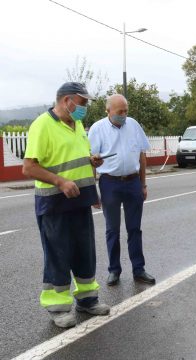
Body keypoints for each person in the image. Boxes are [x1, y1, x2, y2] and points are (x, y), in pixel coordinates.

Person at [23, 82, 110, 328]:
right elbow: (29, 166)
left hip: (80, 200)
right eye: (82, 103)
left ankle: (87, 299)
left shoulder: (77, 124)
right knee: (58, 255)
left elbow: (72, 157)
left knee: (85, 252)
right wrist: (60, 181)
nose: (85, 108)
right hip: (54, 203)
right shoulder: (42, 125)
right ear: (66, 101)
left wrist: (91, 160)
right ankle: (58, 307)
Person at [88, 94, 155, 286]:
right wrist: (93, 191)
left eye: (126, 111)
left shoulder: (133, 125)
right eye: (120, 112)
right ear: (108, 111)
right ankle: (114, 270)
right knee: (112, 229)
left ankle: (139, 269)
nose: (124, 115)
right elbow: (91, 161)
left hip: (133, 182)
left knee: (134, 228)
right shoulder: (97, 129)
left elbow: (142, 156)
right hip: (110, 183)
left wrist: (143, 184)